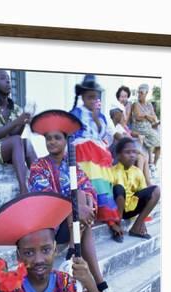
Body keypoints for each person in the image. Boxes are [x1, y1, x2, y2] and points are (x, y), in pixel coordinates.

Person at [28, 109, 123, 292]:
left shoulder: (75, 168)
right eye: (48, 139)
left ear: (66, 140)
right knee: (76, 202)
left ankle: (73, 257)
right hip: (50, 226)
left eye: (56, 138)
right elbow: (43, 199)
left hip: (75, 226)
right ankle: (101, 285)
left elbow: (90, 193)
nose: (52, 142)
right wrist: (76, 206)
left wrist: (85, 207)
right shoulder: (38, 166)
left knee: (81, 197)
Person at [69, 74, 123, 242]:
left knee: (102, 183)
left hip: (98, 152)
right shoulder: (76, 113)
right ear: (83, 97)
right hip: (82, 152)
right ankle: (96, 214)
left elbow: (102, 135)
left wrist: (95, 119)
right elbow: (70, 134)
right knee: (91, 183)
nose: (93, 100)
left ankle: (109, 216)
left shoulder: (101, 116)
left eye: (95, 96)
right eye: (89, 96)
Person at [0, 69, 37, 193]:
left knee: (26, 143)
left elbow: (13, 135)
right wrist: (17, 121)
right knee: (17, 141)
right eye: (3, 78)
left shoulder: (13, 107)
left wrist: (23, 122)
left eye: (9, 79)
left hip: (5, 148)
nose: (8, 81)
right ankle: (23, 189)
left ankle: (41, 182)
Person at [112, 137, 161, 239]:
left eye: (134, 152)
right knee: (118, 188)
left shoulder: (137, 172)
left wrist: (142, 220)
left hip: (131, 209)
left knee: (156, 191)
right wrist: (111, 222)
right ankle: (117, 225)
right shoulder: (112, 172)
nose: (132, 155)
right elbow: (108, 199)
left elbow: (143, 194)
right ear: (119, 155)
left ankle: (136, 227)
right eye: (127, 152)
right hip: (116, 210)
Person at [109, 104, 152, 185]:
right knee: (140, 157)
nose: (123, 116)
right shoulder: (114, 127)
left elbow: (128, 135)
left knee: (143, 157)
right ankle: (137, 182)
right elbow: (124, 140)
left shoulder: (119, 126)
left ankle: (147, 182)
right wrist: (136, 151)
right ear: (116, 114)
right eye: (122, 113)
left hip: (121, 150)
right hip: (115, 153)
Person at [131, 84, 161, 169]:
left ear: (146, 93)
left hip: (148, 129)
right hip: (139, 129)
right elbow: (138, 116)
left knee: (160, 145)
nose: (139, 95)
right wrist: (147, 116)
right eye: (138, 92)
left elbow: (154, 118)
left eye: (141, 93)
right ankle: (151, 164)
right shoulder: (135, 104)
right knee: (156, 140)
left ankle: (153, 165)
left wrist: (147, 116)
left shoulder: (149, 105)